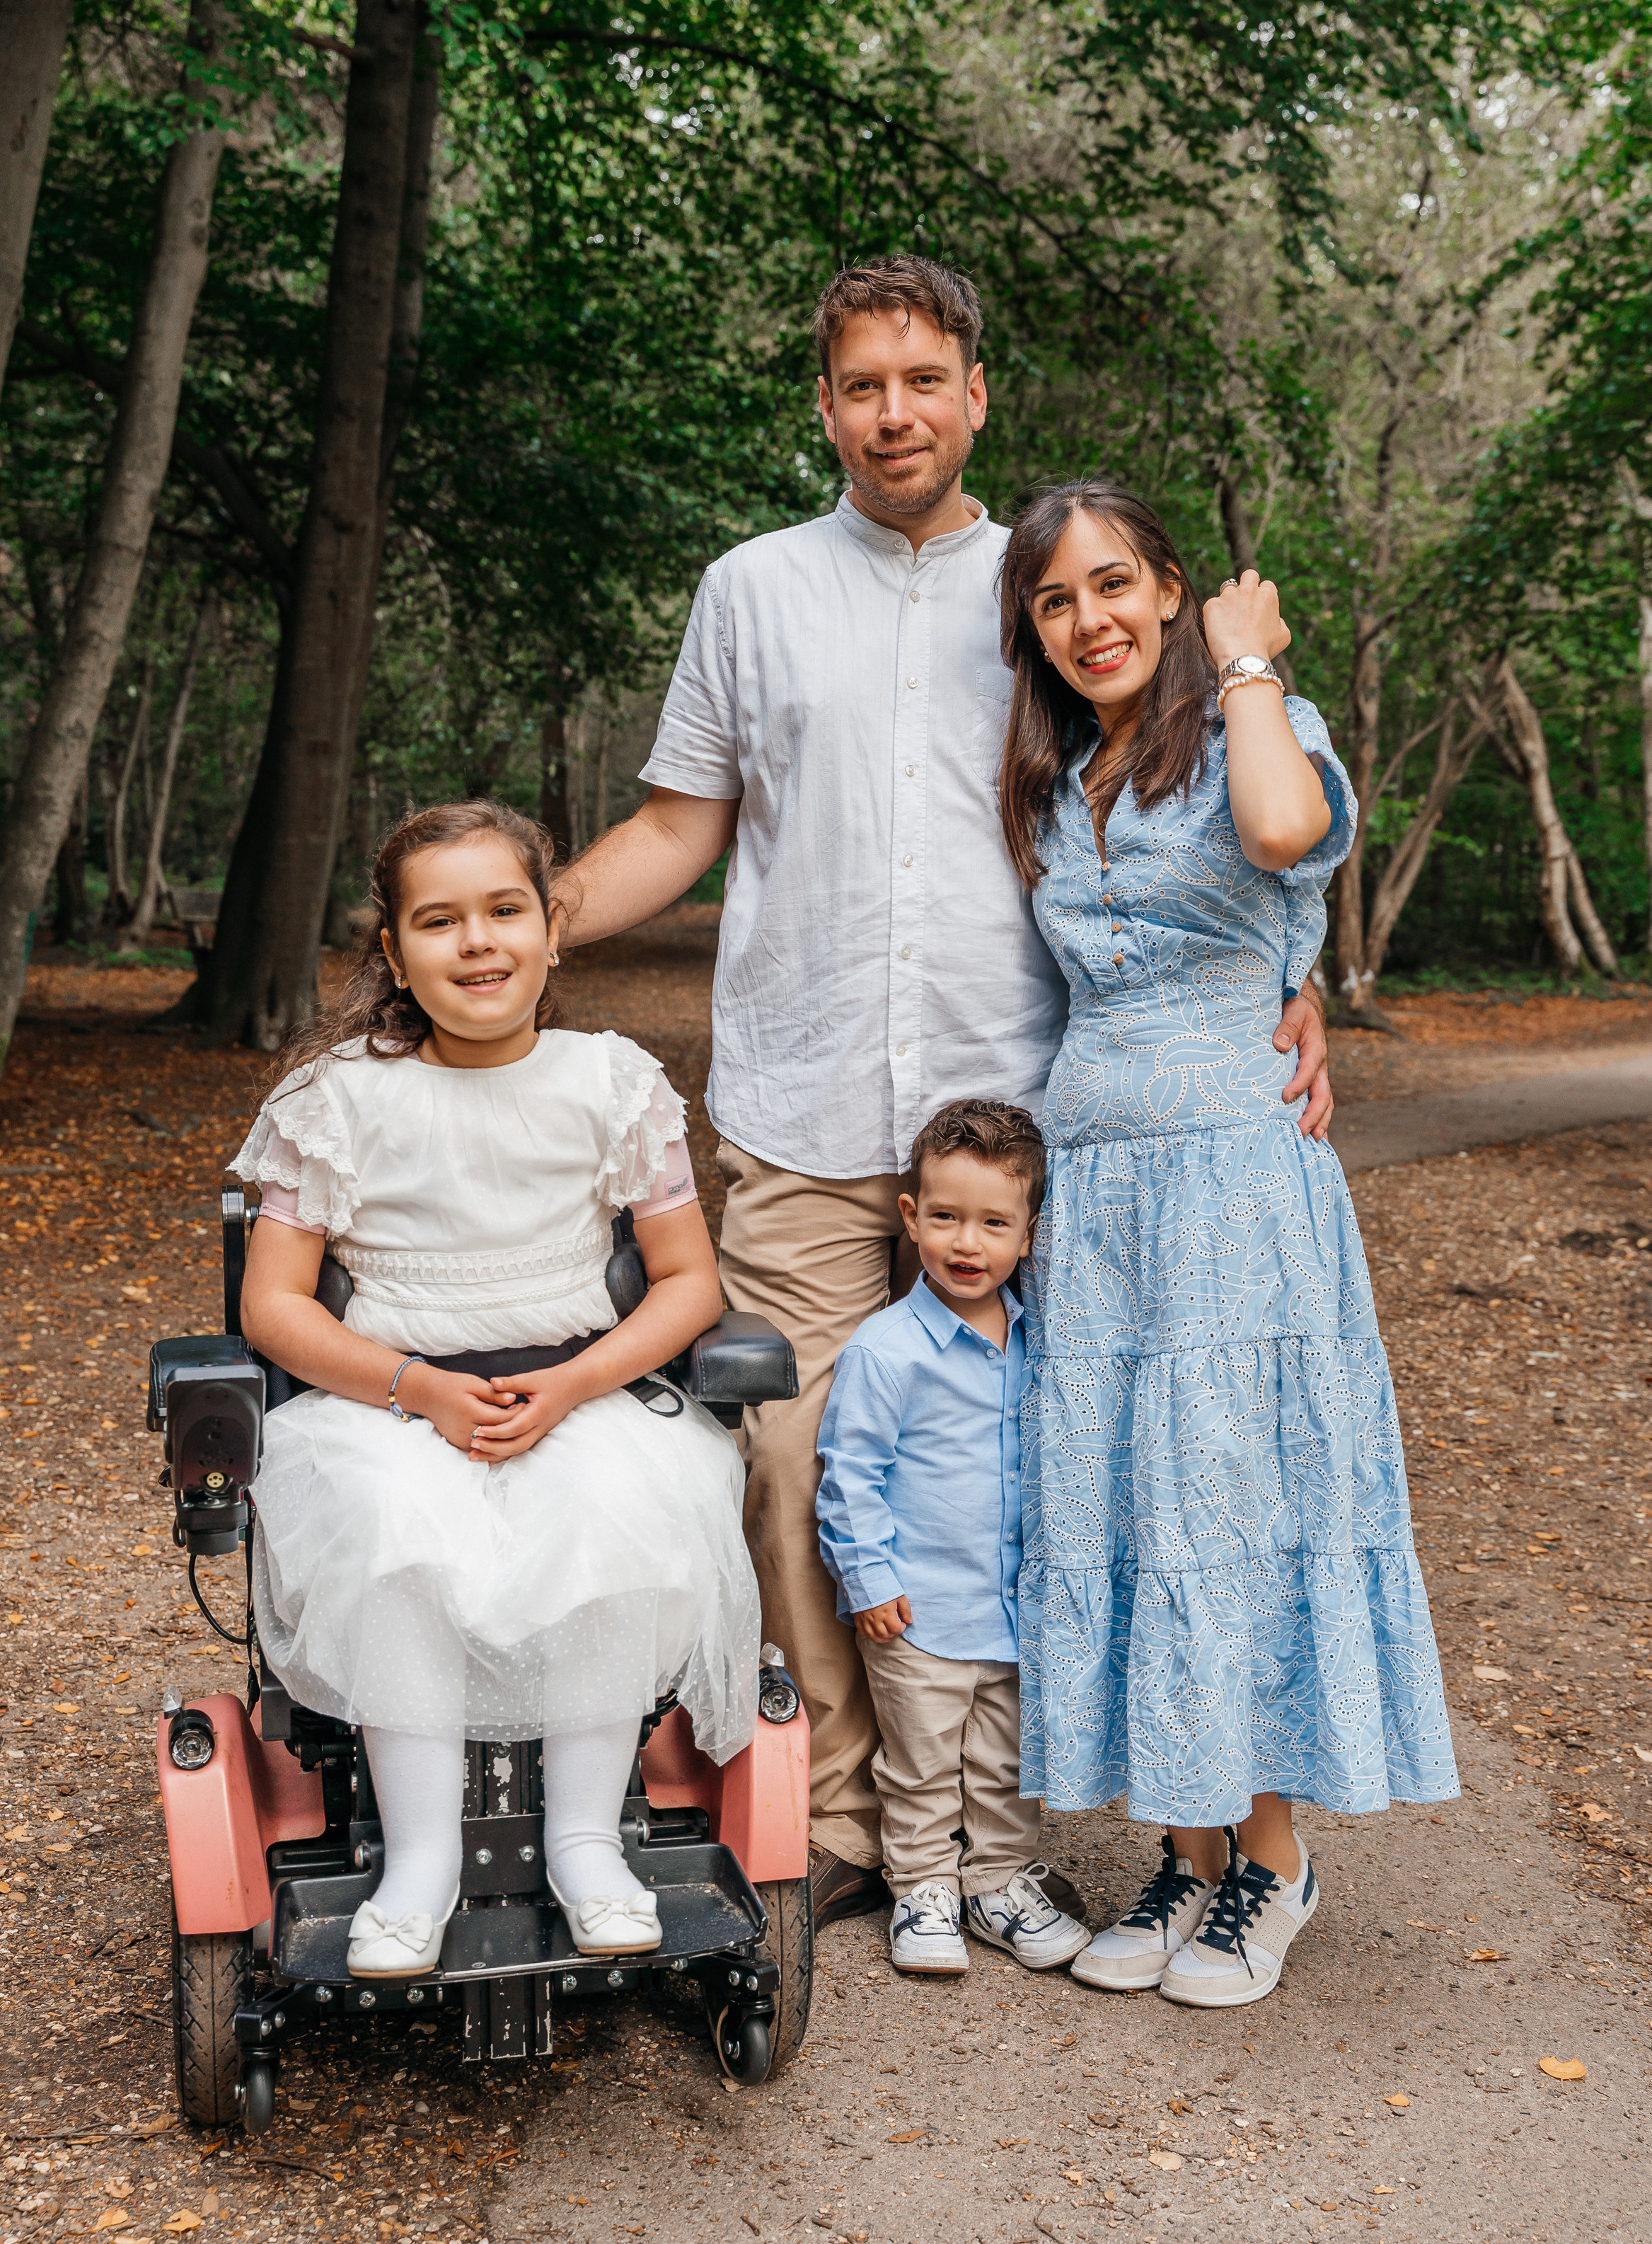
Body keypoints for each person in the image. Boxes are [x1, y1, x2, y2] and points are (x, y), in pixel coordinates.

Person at [549, 255, 1333, 1927]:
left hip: (1034, 1120)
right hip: (805, 1106)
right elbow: (684, 825)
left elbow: (1176, 797)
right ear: (821, 405)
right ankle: (854, 1822)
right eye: (857, 385)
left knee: (1054, 1460)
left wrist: (1288, 968)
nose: (891, 412)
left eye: (923, 378)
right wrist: (511, 923)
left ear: (975, 390)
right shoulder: (749, 589)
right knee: (795, 1465)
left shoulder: (1046, 589)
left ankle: (1014, 1824)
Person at [998, 480, 1458, 2010]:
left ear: (1173, 586)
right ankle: (1189, 1855)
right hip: (1100, 1194)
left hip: (1236, 1191)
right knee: (1128, 1499)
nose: (1090, 622)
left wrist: (1247, 655)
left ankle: (1275, 1855)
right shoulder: (1059, 776)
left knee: (1230, 1496)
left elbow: (1281, 830)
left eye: (1116, 584)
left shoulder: (1259, 721)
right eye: (1057, 602)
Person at [233, 798, 758, 1981]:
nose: (478, 943)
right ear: (395, 954)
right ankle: (418, 1860)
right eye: (440, 921)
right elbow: (277, 1308)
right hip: (393, 1404)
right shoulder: (336, 1102)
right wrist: (415, 1388)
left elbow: (685, 1283)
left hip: (570, 1390)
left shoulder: (611, 1083)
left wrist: (574, 1386)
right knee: (387, 1528)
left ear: (552, 933)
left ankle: (585, 1841)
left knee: (622, 1508)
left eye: (505, 911)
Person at [815, 1099, 1092, 1976]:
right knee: (922, 1762)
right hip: (918, 1606)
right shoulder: (887, 1349)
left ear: (1028, 1233)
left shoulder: (1043, 1341)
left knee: (1005, 1763)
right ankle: (924, 1888)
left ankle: (997, 1884)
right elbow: (848, 1470)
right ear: (910, 1217)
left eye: (992, 1222)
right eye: (945, 1217)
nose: (966, 1242)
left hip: (1013, 1605)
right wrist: (866, 1578)